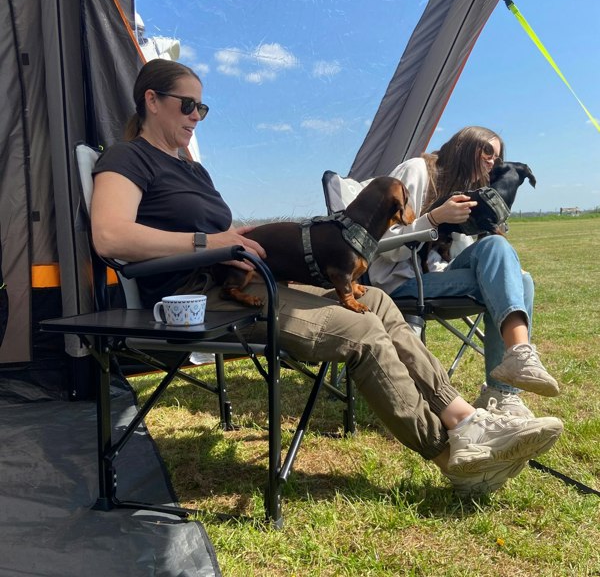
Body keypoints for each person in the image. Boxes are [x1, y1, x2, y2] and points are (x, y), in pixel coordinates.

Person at [90, 59, 563, 497]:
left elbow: (211, 231)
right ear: (151, 100)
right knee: (359, 330)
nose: (196, 116)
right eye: (187, 105)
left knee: (376, 301)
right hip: (199, 298)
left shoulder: (191, 168)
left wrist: (234, 235)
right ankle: (451, 457)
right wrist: (206, 243)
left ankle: (465, 421)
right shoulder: (127, 159)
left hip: (245, 278)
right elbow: (110, 237)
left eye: (203, 107)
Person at [368, 126, 559, 418]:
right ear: (464, 147)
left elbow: (469, 254)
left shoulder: (467, 192)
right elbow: (376, 243)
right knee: (515, 280)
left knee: (520, 278)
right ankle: (509, 378)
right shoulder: (417, 171)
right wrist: (434, 219)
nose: (493, 160)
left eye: (498, 155)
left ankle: (504, 390)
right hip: (398, 283)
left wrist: (484, 225)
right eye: (487, 151)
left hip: (437, 277)